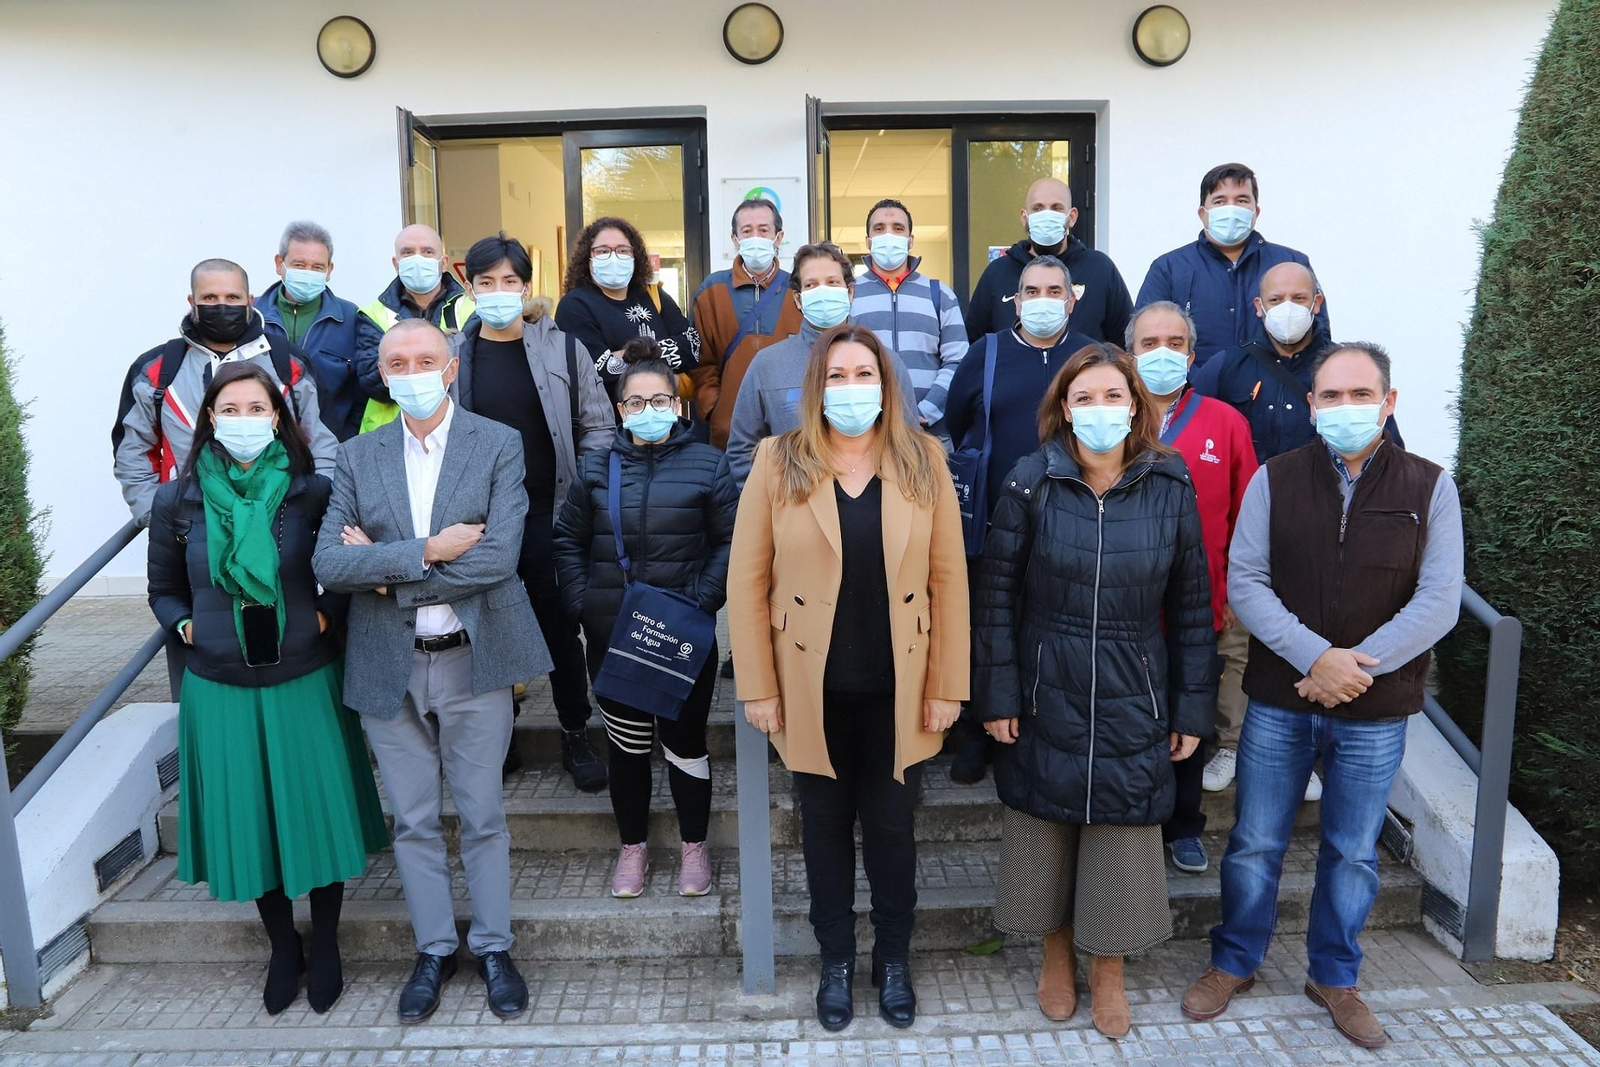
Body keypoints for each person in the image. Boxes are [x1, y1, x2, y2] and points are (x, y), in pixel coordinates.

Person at [1182, 343, 1463, 1050]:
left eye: (1360, 394)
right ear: (1310, 406)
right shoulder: (1274, 478)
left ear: (1389, 402)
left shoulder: (1430, 486)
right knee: (1254, 842)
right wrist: (1315, 657)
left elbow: (1438, 600)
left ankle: (1335, 976)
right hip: (1281, 699)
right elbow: (1246, 580)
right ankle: (1234, 960)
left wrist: (1352, 669)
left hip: (1375, 708)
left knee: (1354, 851)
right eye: (1330, 396)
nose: (1345, 407)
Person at [728, 324, 968, 1032]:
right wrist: (758, 686)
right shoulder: (778, 460)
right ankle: (835, 960)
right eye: (837, 376)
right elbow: (747, 581)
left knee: (893, 830)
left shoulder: (923, 458)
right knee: (824, 830)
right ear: (817, 387)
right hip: (811, 689)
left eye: (866, 374)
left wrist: (947, 684)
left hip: (901, 687)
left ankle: (893, 960)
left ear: (887, 386)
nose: (852, 388)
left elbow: (950, 580)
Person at [312, 319, 552, 1024]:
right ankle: (434, 949)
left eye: (425, 360)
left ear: (450, 369)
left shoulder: (497, 443)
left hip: (475, 656)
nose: (411, 372)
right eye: (398, 363)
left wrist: (386, 570)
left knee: (483, 815)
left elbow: (497, 558)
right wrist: (430, 550)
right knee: (413, 820)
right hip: (387, 664)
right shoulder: (357, 455)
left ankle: (495, 947)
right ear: (383, 376)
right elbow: (330, 562)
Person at [975, 342, 1215, 1040]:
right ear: (1064, 408)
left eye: (1114, 395)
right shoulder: (1030, 481)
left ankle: (1107, 968)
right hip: (1046, 679)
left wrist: (1191, 706)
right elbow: (995, 598)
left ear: (1136, 406)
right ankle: (1055, 953)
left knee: (1120, 828)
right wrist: (998, 693)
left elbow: (1193, 607)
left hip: (1133, 685)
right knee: (1045, 822)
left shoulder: (1169, 484)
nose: (1100, 408)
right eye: (1085, 397)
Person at [146, 361, 387, 1017]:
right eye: (230, 409)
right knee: (250, 818)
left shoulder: (313, 492)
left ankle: (327, 941)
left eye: (257, 408)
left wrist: (324, 616)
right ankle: (284, 945)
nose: (244, 420)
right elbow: (162, 588)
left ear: (278, 417)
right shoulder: (176, 501)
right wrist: (187, 625)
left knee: (316, 811)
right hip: (219, 684)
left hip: (303, 676)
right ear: (209, 418)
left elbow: (344, 569)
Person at [553, 338, 738, 897]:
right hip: (613, 634)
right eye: (635, 402)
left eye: (659, 400)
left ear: (678, 406)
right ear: (620, 409)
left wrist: (703, 599)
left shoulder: (709, 464)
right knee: (627, 748)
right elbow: (567, 540)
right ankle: (632, 847)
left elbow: (730, 541)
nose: (648, 410)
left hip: (683, 634)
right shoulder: (596, 467)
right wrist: (585, 603)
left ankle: (693, 847)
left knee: (686, 744)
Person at [450, 232, 615, 792]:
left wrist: (584, 494)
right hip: (480, 522)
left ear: (526, 286)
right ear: (470, 289)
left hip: (552, 511)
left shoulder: (563, 348)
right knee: (486, 630)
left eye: (509, 281)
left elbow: (599, 425)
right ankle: (501, 738)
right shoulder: (453, 355)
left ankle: (574, 731)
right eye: (486, 282)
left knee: (560, 629)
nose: (499, 291)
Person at [940, 255, 1097, 783]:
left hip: (1075, 518)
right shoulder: (986, 353)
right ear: (1016, 300)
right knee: (988, 623)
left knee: (1053, 626)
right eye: (1031, 291)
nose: (1042, 300)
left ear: (1071, 301)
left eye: (1054, 291)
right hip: (996, 519)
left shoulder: (1092, 357)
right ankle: (976, 730)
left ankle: (1040, 726)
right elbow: (958, 420)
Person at [1124, 301, 1258, 876]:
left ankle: (1183, 827)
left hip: (1200, 603)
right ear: (1129, 353)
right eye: (1149, 342)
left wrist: (1232, 594)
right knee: (1130, 718)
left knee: (1187, 716)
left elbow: (1248, 517)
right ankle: (1129, 828)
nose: (1162, 353)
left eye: (1174, 343)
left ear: (1192, 354)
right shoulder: (1111, 416)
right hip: (1121, 602)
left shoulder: (1225, 422)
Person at [114, 258, 337, 526]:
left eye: (232, 297)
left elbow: (323, 443)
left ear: (250, 301)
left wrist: (313, 511)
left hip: (279, 522)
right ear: (192, 301)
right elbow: (133, 452)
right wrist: (156, 516)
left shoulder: (288, 362)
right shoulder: (157, 369)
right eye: (210, 298)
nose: (222, 306)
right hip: (186, 524)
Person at [724, 241, 921, 490]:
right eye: (811, 285)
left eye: (832, 282)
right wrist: (773, 499)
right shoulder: (768, 365)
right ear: (798, 299)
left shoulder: (885, 362)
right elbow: (742, 448)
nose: (823, 291)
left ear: (850, 292)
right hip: (794, 505)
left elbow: (909, 442)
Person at [1192, 263, 1402, 488]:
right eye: (1276, 300)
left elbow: (1387, 448)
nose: (1288, 308)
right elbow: (1190, 433)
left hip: (1329, 500)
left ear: (1316, 303)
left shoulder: (1345, 367)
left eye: (1299, 298)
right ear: (1259, 306)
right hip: (1250, 499)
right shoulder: (1226, 366)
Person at [1137, 163, 1329, 362]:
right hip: (1196, 381)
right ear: (1202, 213)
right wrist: (1197, 378)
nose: (1231, 209)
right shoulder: (1169, 268)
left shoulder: (1292, 263)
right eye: (1220, 201)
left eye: (1241, 200)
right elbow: (1144, 338)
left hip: (1276, 380)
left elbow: (1320, 338)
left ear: (1256, 212)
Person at [847, 198, 968, 441]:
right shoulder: (849, 294)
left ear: (910, 240)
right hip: (866, 431)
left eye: (898, 228)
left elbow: (958, 360)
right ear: (868, 241)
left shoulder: (939, 294)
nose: (888, 234)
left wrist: (926, 411)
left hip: (928, 434)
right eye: (879, 228)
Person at [688, 198, 804, 448]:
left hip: (791, 435)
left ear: (778, 237)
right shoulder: (712, 291)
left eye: (764, 230)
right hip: (728, 435)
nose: (756, 237)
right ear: (735, 239)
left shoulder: (798, 291)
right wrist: (714, 409)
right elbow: (700, 362)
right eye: (747, 231)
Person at [965, 176, 1132, 344]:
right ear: (1024, 217)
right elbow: (973, 342)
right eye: (1037, 208)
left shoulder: (1099, 269)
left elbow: (1127, 341)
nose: (1046, 215)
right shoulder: (998, 273)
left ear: (1072, 217)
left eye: (1056, 208)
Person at [256, 220, 382, 441]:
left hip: (329, 446)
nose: (308, 273)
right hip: (262, 446)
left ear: (329, 270)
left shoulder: (350, 318)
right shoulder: (252, 316)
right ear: (279, 264)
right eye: (299, 265)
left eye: (317, 267)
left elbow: (361, 392)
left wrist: (346, 440)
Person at [554, 217, 702, 401]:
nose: (613, 257)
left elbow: (692, 347)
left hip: (661, 413)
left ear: (635, 256)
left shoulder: (653, 294)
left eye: (623, 250)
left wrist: (625, 354)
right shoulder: (575, 305)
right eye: (603, 251)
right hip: (607, 416)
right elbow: (597, 369)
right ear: (588, 259)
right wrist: (662, 360)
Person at [354, 224, 477, 432]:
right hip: (387, 435)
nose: (418, 259)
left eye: (427, 252)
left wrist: (400, 366)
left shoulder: (471, 309)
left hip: (459, 431)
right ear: (396, 263)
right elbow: (372, 381)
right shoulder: (373, 314)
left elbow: (472, 376)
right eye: (408, 252)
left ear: (444, 263)